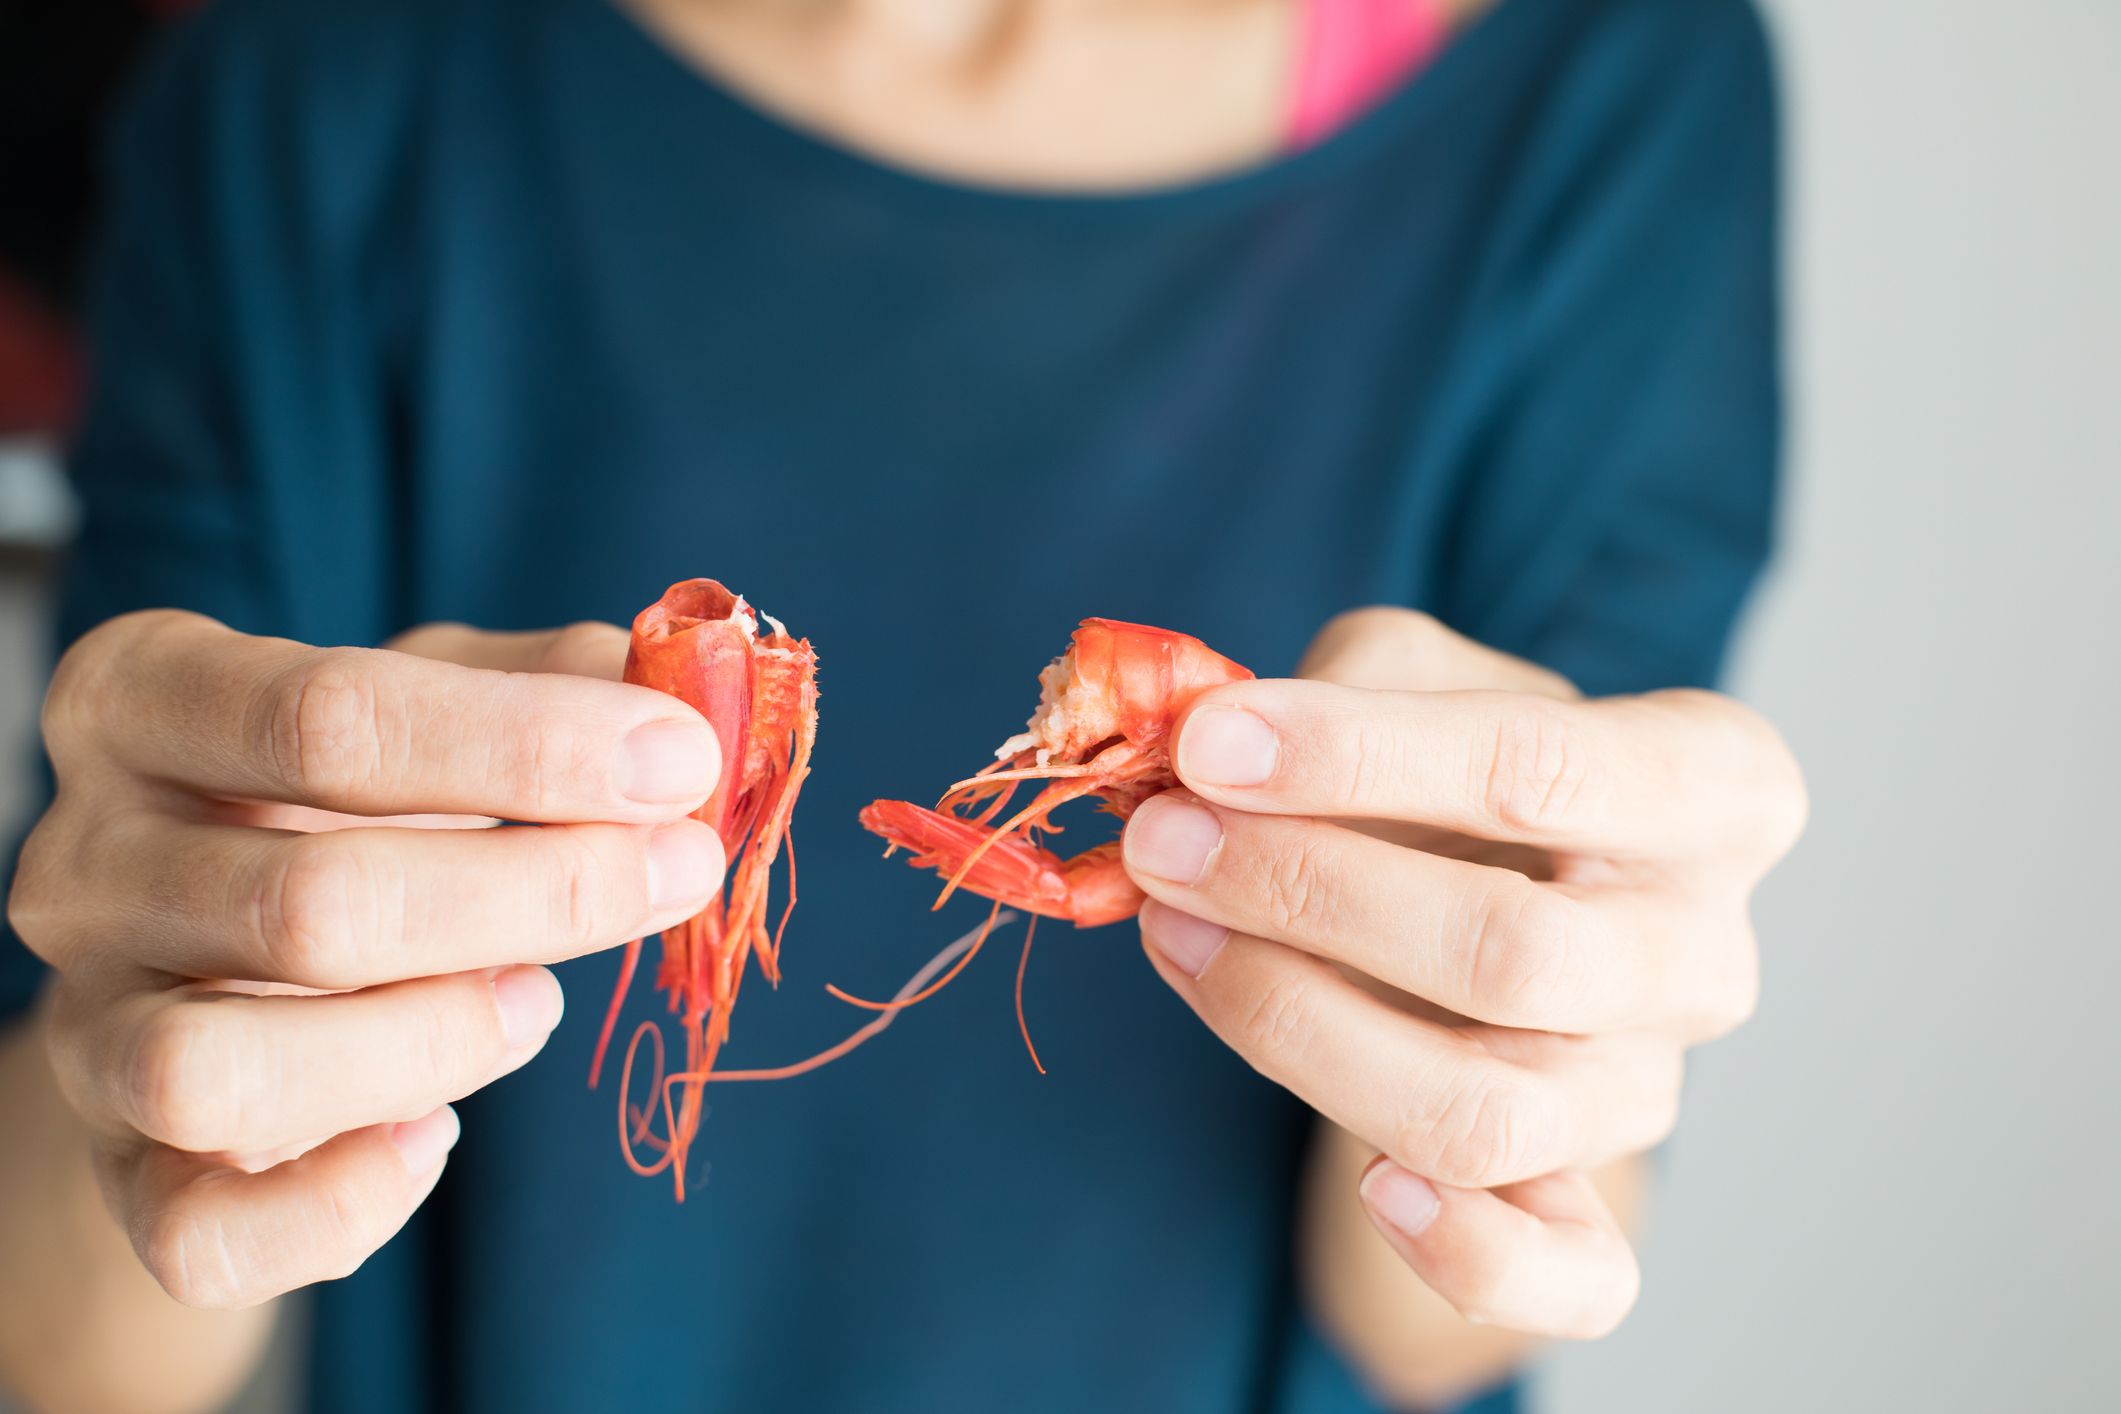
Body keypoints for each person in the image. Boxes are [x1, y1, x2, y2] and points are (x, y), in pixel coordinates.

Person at [0, 0, 1805, 1410]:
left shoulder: (1612, 98)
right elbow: (79, 1341)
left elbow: (1430, 1325)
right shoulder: (297, 97)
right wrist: (169, 1049)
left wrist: (1521, 1083)